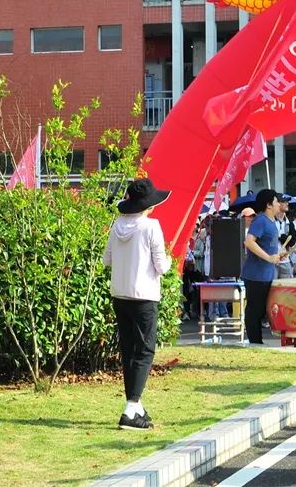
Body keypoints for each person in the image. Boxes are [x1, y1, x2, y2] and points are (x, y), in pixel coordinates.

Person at [103, 178, 172, 430]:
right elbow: (161, 266)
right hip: (144, 296)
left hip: (120, 295)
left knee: (129, 351)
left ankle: (136, 405)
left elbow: (107, 260)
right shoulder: (152, 226)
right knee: (144, 352)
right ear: (147, 204)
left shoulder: (117, 225)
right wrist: (169, 260)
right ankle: (131, 408)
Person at [240, 189, 287, 345]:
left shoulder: (271, 222)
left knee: (261, 309)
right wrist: (268, 257)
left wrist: (278, 256)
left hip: (266, 273)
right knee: (255, 309)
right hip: (256, 274)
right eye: (276, 201)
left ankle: (257, 341)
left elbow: (267, 247)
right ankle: (255, 341)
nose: (278, 204)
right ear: (268, 205)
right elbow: (249, 241)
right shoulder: (260, 220)